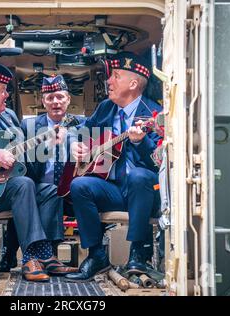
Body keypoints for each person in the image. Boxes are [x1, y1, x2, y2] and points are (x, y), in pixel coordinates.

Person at [0, 63, 76, 282]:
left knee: (49, 190)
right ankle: (30, 258)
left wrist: (48, 145)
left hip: (5, 186)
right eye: (3, 90)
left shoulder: (9, 115)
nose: (7, 95)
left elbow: (22, 158)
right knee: (24, 185)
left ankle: (46, 256)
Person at [64, 52, 163, 282]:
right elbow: (81, 132)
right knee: (79, 185)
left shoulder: (154, 114)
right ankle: (96, 255)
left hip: (145, 193)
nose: (108, 81)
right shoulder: (106, 108)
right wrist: (75, 145)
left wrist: (140, 142)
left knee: (139, 176)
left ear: (133, 83)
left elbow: (160, 162)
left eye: (115, 76)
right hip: (115, 189)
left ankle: (138, 253)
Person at [0, 75, 83, 272]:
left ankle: (45, 256)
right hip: (37, 183)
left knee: (57, 194)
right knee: (31, 193)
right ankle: (36, 256)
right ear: (43, 101)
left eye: (60, 97)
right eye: (50, 97)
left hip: (71, 189)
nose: (56, 102)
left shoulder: (82, 124)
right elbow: (22, 164)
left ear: (68, 99)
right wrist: (45, 146)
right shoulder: (27, 126)